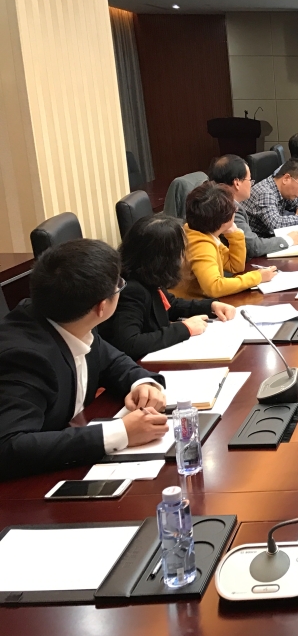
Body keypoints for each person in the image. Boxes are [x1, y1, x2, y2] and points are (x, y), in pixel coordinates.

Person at [0, 239, 168, 480]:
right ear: (102, 307)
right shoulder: (24, 358)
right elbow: (9, 447)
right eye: (119, 285)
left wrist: (142, 383)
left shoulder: (71, 319)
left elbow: (112, 361)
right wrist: (119, 433)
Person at [99, 214, 237, 360]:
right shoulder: (131, 290)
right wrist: (185, 329)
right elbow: (130, 343)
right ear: (164, 258)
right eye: (181, 251)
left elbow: (170, 305)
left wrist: (211, 306)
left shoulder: (145, 275)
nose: (184, 256)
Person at [173, 183, 276, 299]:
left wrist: (235, 235)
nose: (236, 210)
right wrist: (257, 277)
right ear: (224, 220)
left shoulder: (201, 231)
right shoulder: (201, 245)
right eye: (233, 209)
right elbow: (214, 287)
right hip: (191, 306)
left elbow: (235, 266)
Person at [208, 154, 298, 257]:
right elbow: (253, 247)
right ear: (237, 183)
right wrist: (288, 239)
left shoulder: (215, 199)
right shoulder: (228, 209)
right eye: (250, 180)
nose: (251, 184)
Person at [243, 159, 298, 237]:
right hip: (258, 241)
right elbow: (276, 224)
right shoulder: (265, 193)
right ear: (286, 178)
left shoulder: (281, 189)